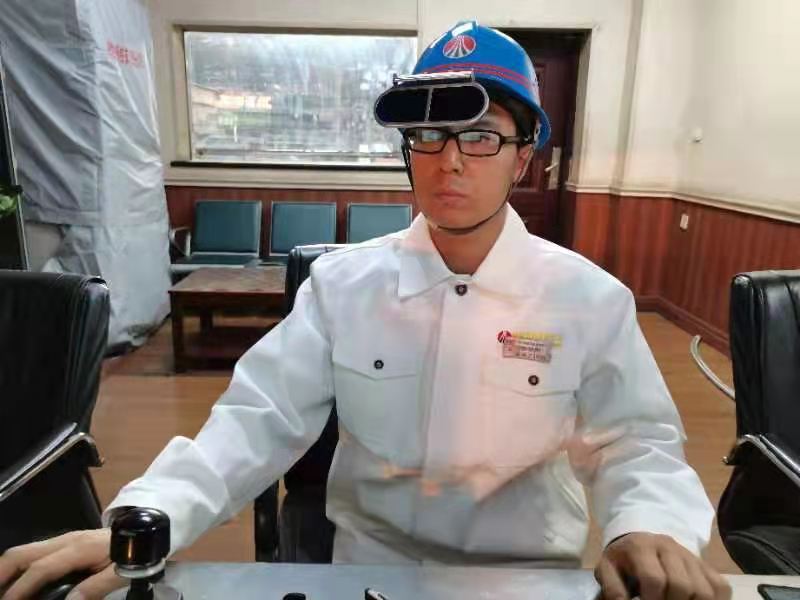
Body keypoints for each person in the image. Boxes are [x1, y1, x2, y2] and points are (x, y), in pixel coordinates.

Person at [0, 21, 730, 600]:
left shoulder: (587, 298)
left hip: (524, 578)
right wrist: (152, 513)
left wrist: (649, 526)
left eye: (480, 136)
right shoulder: (343, 287)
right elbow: (256, 422)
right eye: (429, 135)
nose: (450, 161)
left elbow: (635, 442)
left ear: (524, 155)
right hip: (367, 575)